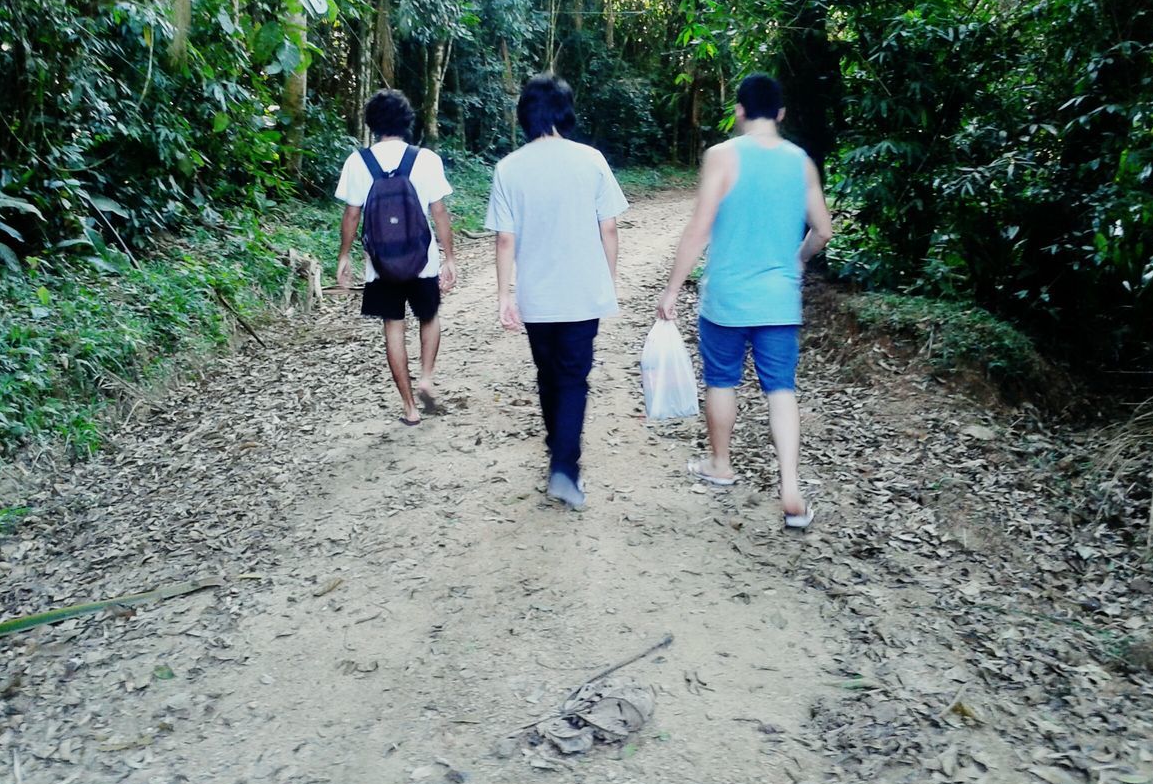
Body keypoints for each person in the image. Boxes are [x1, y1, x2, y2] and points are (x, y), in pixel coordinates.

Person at [656, 73, 833, 529]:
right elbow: (824, 230)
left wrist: (673, 288)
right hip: (778, 300)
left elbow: (699, 227)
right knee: (781, 389)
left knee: (722, 379)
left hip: (727, 297)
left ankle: (720, 464)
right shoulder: (802, 162)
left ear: (738, 110)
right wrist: (796, 260)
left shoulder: (721, 156)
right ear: (780, 114)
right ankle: (790, 487)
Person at [486, 74, 628, 508]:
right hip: (582, 292)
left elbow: (505, 239)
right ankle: (564, 465)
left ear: (525, 115)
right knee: (572, 378)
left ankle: (558, 452)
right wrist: (608, 277)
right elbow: (609, 227)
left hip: (538, 294)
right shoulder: (591, 160)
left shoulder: (509, 167)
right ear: (564, 112)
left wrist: (504, 296)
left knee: (548, 374)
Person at [335, 89, 457, 426]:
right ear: (407, 121)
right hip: (423, 260)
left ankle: (409, 408)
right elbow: (440, 212)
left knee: (394, 327)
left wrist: (344, 257)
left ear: (372, 124)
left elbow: (351, 215)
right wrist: (449, 257)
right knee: (429, 316)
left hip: (380, 264)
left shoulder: (358, 161)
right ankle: (427, 378)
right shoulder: (426, 159)